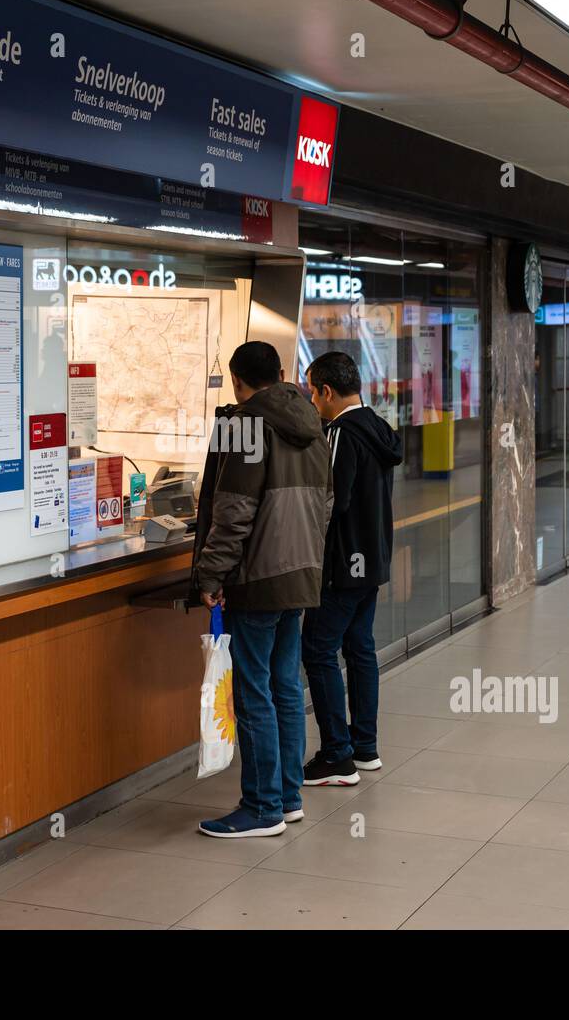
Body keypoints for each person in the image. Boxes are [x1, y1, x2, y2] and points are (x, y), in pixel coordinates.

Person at [194, 341, 332, 838]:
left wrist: (211, 575)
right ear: (281, 373)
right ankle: (288, 797)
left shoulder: (243, 425)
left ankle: (262, 806)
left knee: (253, 694)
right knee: (285, 688)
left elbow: (233, 513)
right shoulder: (313, 424)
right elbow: (326, 505)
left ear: (237, 379)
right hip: (300, 574)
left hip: (256, 580)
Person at [301, 351, 403, 785]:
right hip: (373, 558)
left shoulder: (341, 432)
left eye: (312, 393)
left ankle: (337, 755)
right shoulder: (379, 426)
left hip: (344, 564)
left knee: (318, 649)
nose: (311, 402)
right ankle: (365, 748)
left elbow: (331, 501)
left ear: (326, 391)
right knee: (359, 647)